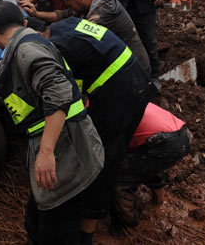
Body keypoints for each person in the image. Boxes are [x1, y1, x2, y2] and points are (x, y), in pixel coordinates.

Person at [0, 2, 103, 245]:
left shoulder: (27, 52)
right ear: (24, 23)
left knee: (57, 228)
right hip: (63, 144)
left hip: (67, 148)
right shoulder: (24, 45)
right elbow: (16, 92)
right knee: (36, 220)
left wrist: (46, 153)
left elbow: (59, 95)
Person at [49, 17, 153, 243]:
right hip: (139, 80)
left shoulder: (58, 50)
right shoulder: (68, 24)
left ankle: (87, 232)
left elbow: (70, 99)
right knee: (120, 147)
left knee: (101, 161)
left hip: (121, 97)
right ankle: (147, 192)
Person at [21, 0, 150, 73]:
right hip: (118, 62)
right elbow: (63, 15)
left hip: (133, 65)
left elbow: (80, 38)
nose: (72, 8)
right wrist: (36, 13)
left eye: (71, 4)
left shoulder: (103, 7)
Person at [111, 103, 190, 228]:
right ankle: (159, 201)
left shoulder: (103, 111)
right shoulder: (128, 97)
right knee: (149, 164)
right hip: (182, 135)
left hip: (161, 142)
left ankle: (128, 226)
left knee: (119, 177)